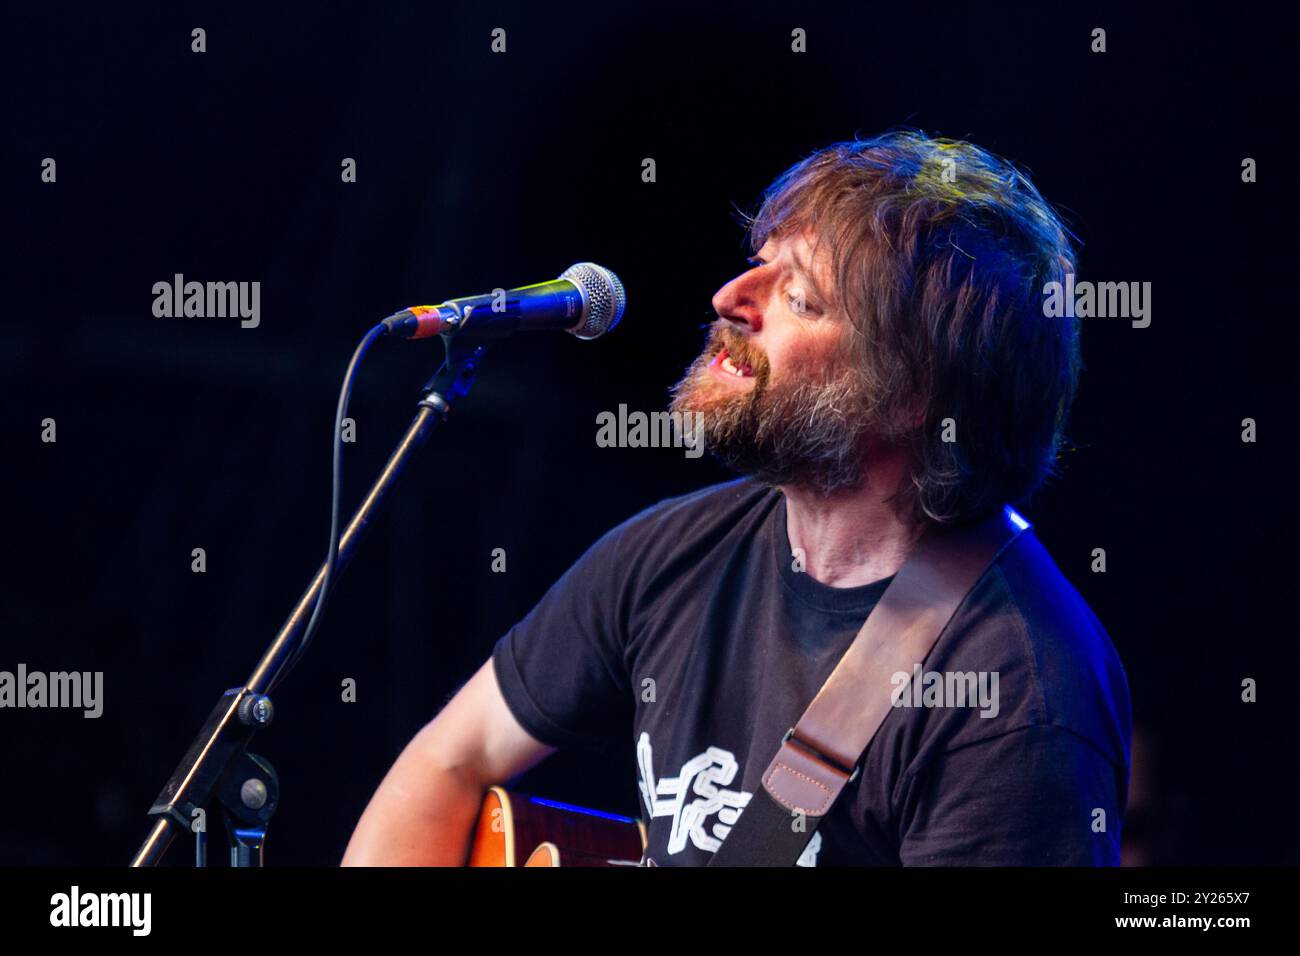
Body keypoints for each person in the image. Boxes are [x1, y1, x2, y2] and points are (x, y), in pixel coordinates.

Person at [342, 130, 1132, 866]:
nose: (729, 296)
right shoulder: (669, 557)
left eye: (801, 298)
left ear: (912, 393)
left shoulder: (1018, 695)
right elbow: (449, 759)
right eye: (759, 261)